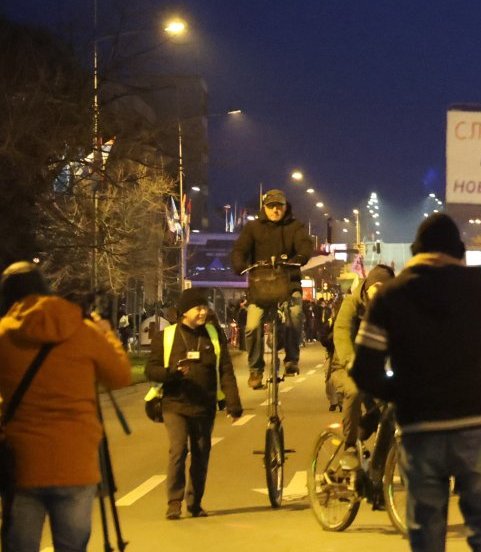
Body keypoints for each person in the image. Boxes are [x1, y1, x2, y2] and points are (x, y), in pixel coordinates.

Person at [351, 209, 481, 551]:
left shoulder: (390, 296)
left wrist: (404, 395)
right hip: (477, 427)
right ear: (459, 252)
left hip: (420, 430)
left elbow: (364, 370)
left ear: (416, 250)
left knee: (426, 537)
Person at [0, 262, 132, 549]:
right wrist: (106, 333)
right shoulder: (82, 329)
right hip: (76, 461)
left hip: (22, 463)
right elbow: (120, 376)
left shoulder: (4, 334)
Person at [144, 288, 242, 520]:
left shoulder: (213, 335)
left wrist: (233, 403)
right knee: (178, 449)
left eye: (205, 307)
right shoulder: (166, 336)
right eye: (198, 308)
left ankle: (195, 502)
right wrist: (172, 373)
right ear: (185, 311)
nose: (203, 312)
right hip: (174, 403)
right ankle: (174, 501)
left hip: (204, 405)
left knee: (201, 453)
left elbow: (225, 370)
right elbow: (151, 370)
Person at [230, 189, 314, 389]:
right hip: (261, 287)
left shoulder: (296, 226)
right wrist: (239, 264)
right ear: (264, 208)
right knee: (252, 326)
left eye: (279, 206)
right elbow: (239, 249)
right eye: (271, 206)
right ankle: (255, 369)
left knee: (295, 314)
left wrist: (300, 257)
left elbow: (305, 245)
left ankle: (292, 359)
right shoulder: (252, 228)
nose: (275, 210)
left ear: (286, 207)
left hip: (289, 283)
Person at [329, 265, 395, 450]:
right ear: (368, 286)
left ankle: (377, 460)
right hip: (345, 367)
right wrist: (351, 361)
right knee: (355, 390)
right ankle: (350, 447)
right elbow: (341, 330)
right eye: (377, 287)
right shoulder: (351, 303)